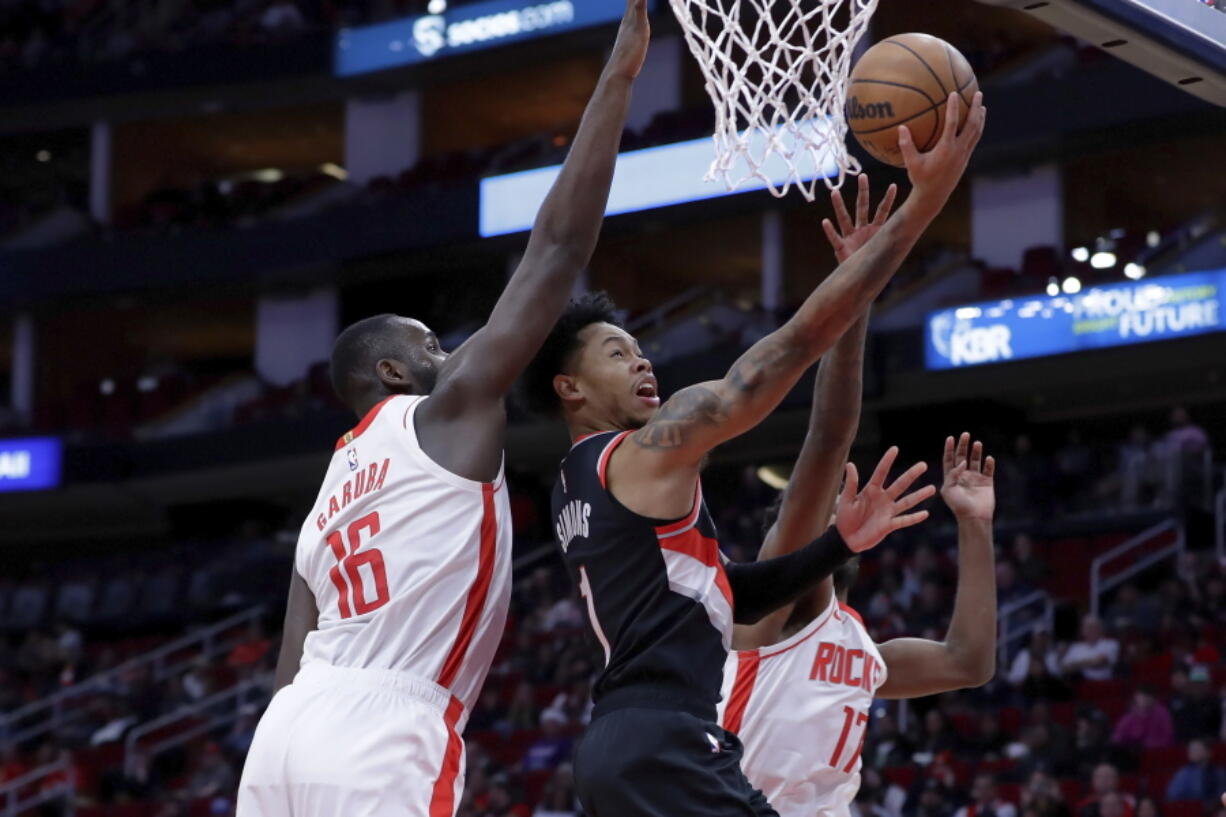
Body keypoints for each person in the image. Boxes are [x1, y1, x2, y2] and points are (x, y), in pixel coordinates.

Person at [523, 90, 986, 817]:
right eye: (620, 353)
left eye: (643, 351)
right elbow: (785, 355)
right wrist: (921, 206)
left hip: (626, 746)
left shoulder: (579, 486)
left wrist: (839, 542)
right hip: (668, 741)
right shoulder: (639, 454)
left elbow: (724, 595)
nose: (644, 364)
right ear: (569, 387)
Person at [236, 4, 651, 815]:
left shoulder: (323, 501)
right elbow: (559, 250)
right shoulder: (444, 409)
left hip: (283, 731)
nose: (449, 349)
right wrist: (619, 77)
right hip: (383, 729)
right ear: (391, 370)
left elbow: (288, 669)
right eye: (429, 342)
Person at [714, 174, 995, 817]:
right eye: (807, 519)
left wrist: (975, 526)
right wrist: (857, 293)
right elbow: (828, 439)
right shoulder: (771, 616)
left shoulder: (861, 651)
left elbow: (967, 661)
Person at [1165, 739, 1226, 805]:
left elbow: (1222, 795)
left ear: (1208, 752)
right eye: (1190, 749)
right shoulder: (1184, 773)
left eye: (1196, 749)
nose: (1192, 752)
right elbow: (1172, 795)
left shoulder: (1219, 772)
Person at [1061, 616, 1119, 681]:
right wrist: (1090, 662)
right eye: (1087, 627)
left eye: (1094, 627)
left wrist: (1075, 664)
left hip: (1105, 684)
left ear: (1100, 629)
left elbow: (1099, 663)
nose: (1091, 630)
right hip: (1082, 684)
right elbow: (1064, 667)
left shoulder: (1111, 644)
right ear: (1082, 630)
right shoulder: (1075, 647)